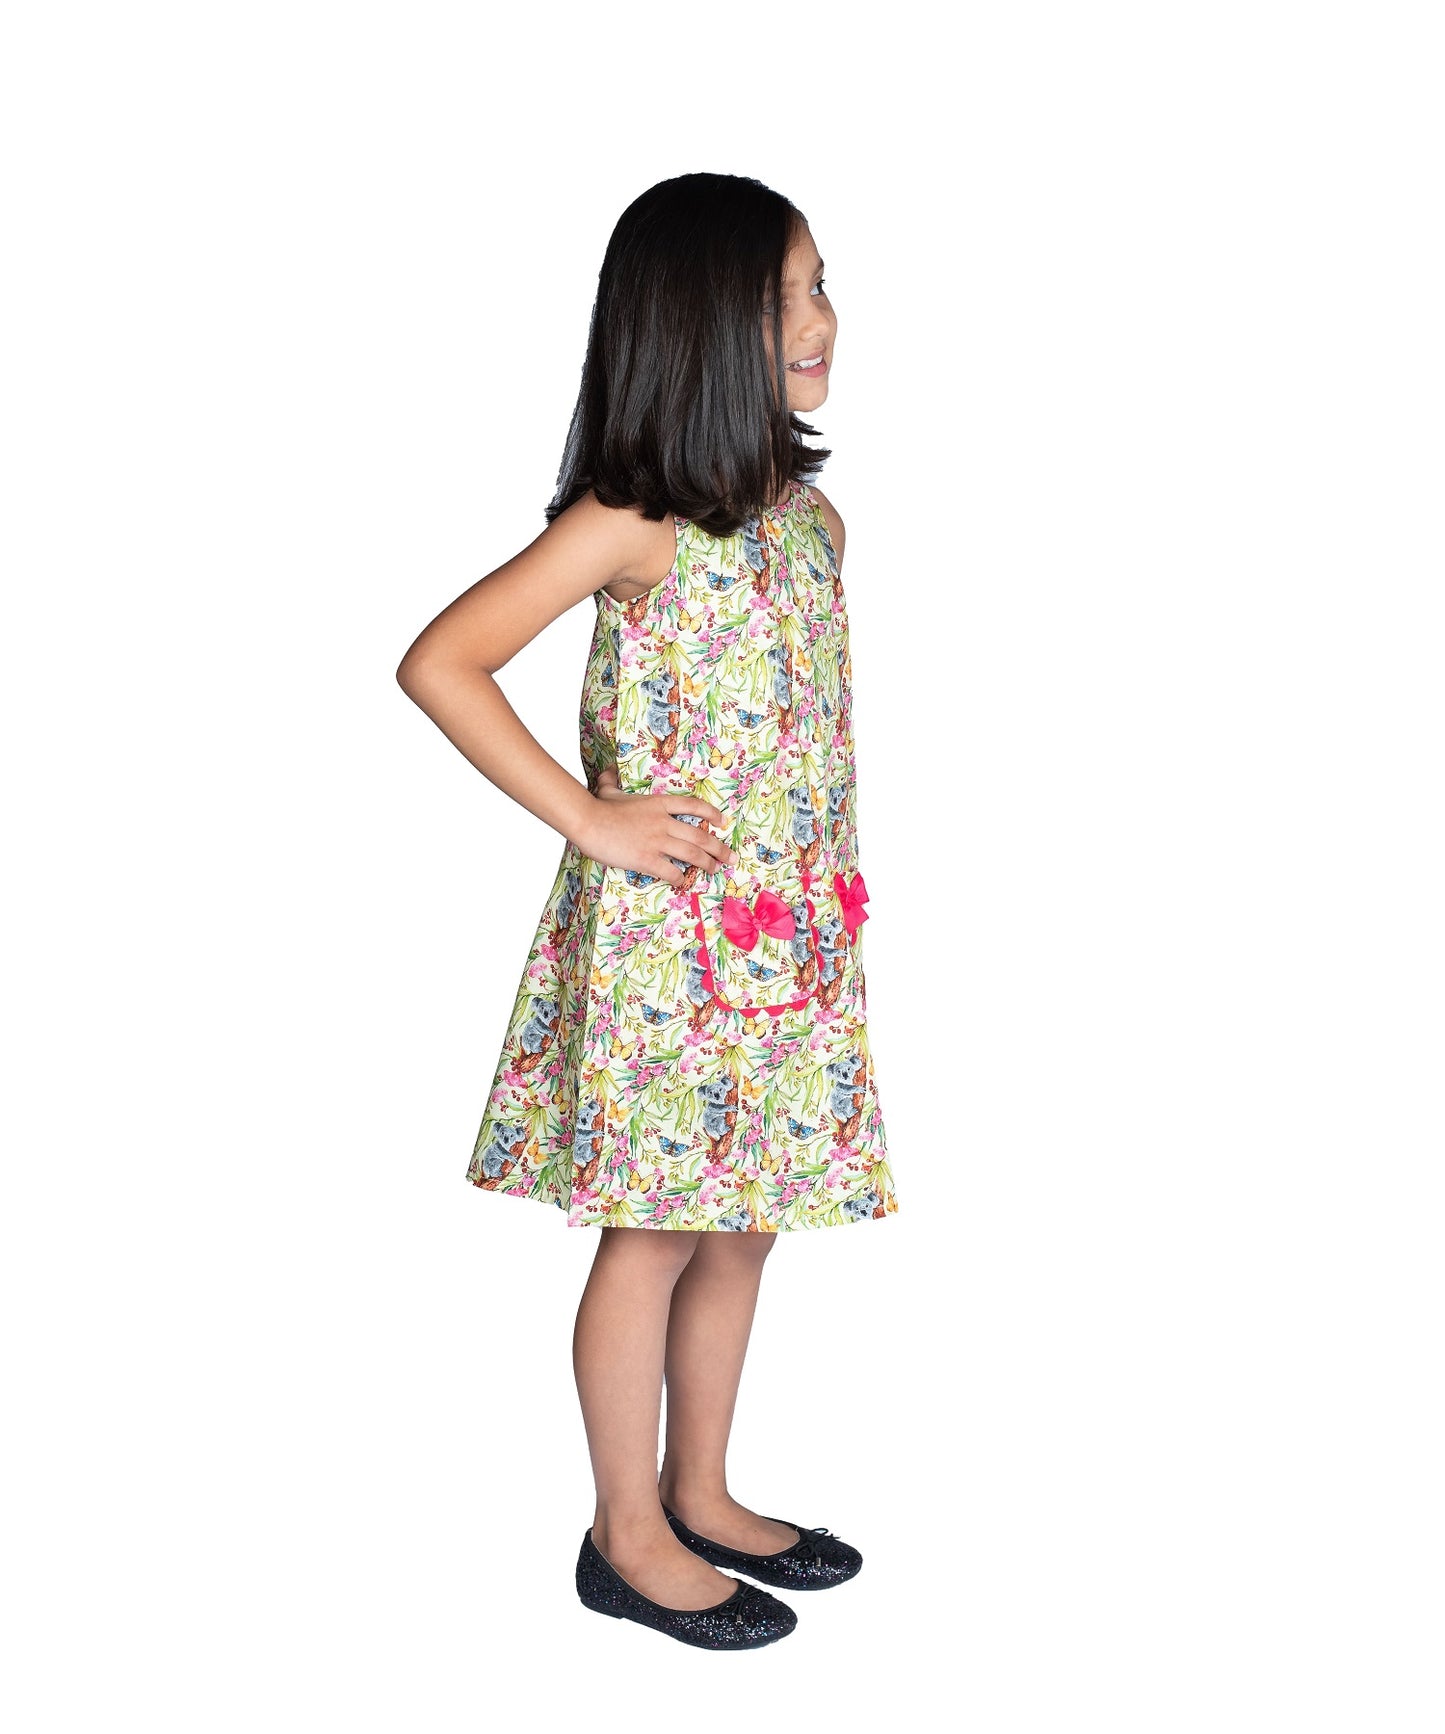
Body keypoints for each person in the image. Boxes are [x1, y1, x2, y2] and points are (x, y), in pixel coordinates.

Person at [396, 172, 900, 1650]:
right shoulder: (629, 524)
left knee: (744, 1228)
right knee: (656, 1233)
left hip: (788, 948)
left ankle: (703, 1488)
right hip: (669, 953)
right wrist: (591, 816)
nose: (820, 318)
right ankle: (623, 1534)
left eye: (819, 283)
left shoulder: (811, 523)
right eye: (781, 296)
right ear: (689, 330)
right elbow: (442, 661)